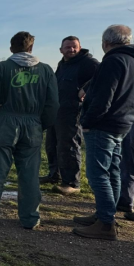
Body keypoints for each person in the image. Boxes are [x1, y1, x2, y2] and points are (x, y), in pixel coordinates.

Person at [0, 32, 58, 229]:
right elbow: (53, 103)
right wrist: (41, 124)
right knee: (29, 173)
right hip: (33, 124)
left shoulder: (1, 67)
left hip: (6, 122)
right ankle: (30, 218)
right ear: (31, 48)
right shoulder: (45, 70)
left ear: (11, 48)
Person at [73, 25, 134, 240]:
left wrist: (87, 121)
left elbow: (103, 96)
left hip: (104, 124)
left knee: (97, 174)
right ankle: (104, 215)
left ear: (105, 42)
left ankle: (106, 224)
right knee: (112, 172)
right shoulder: (133, 60)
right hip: (123, 122)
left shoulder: (112, 60)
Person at [40, 36, 99, 195]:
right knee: (52, 144)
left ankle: (72, 183)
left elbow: (102, 76)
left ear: (80, 48)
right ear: (61, 50)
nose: (71, 50)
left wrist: (86, 88)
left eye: (74, 47)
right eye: (68, 47)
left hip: (73, 111)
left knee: (69, 146)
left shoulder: (88, 62)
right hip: (56, 111)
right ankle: (54, 175)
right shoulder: (63, 64)